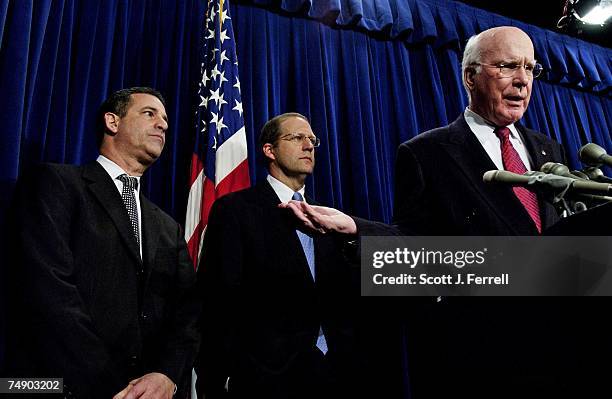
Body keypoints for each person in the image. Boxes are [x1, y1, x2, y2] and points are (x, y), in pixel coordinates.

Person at [6, 87, 200, 399]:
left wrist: (166, 375)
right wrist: (109, 384)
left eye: (165, 119)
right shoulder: (56, 184)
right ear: (112, 121)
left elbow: (187, 313)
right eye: (149, 114)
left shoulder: (167, 227)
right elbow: (48, 291)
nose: (163, 124)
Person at [195, 113, 402, 398]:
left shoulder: (330, 218)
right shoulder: (235, 210)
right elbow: (218, 300)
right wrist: (213, 379)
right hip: (266, 380)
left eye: (312, 140)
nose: (308, 146)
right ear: (269, 150)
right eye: (297, 138)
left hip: (338, 376)